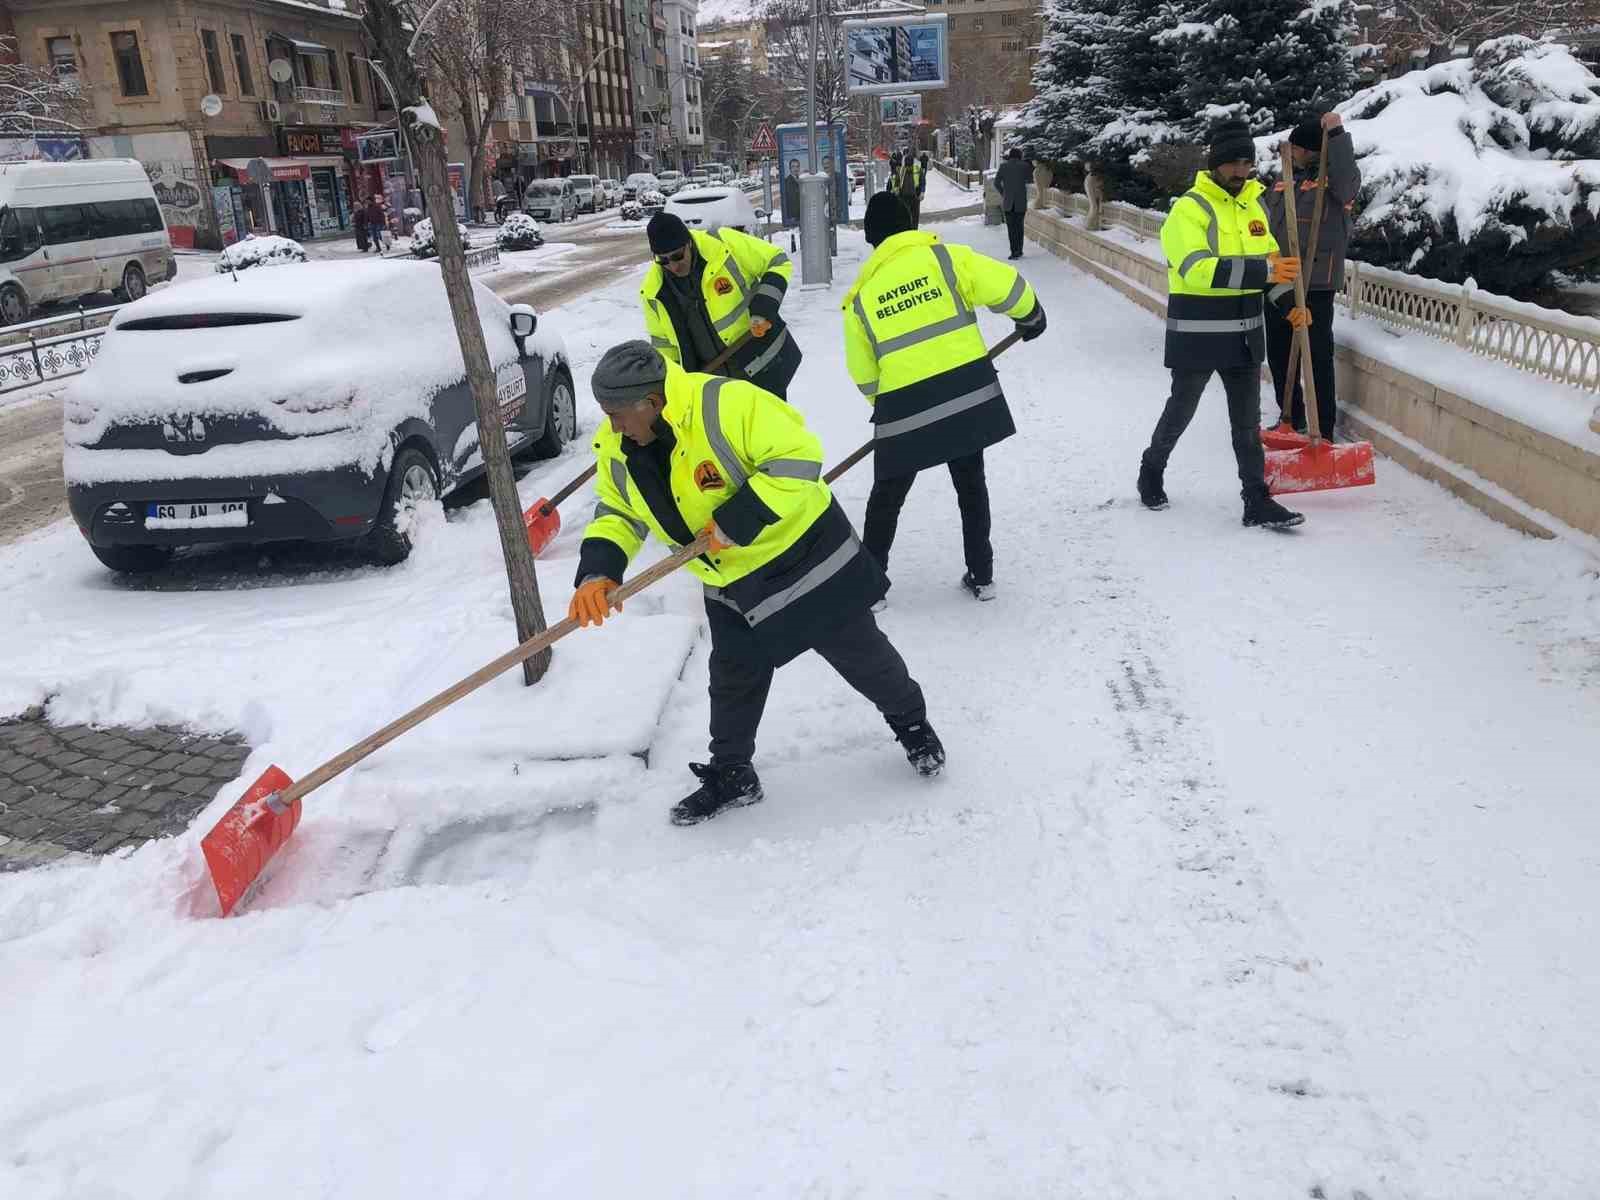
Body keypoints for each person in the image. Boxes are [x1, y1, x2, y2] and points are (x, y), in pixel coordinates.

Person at [568, 341, 946, 825]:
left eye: (617, 413)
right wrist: (598, 571)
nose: (611, 425)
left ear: (652, 402)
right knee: (733, 676)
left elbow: (798, 460)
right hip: (728, 578)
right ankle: (733, 774)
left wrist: (736, 519)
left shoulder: (728, 404)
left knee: (860, 654)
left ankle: (913, 725)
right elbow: (618, 510)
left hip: (802, 558)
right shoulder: (618, 445)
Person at [842, 192, 1046, 604]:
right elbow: (1008, 286)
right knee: (971, 484)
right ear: (910, 225)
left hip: (904, 410)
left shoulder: (861, 298)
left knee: (887, 495)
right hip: (965, 397)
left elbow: (863, 373)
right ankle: (982, 575)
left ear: (872, 239)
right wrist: (1031, 316)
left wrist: (886, 411)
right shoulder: (947, 260)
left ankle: (870, 586)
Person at [1136, 119, 1308, 530]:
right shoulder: (1188, 208)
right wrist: (1264, 274)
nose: (1239, 171)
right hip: (1199, 332)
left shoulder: (1255, 205)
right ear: (1214, 164)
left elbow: (1273, 268)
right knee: (1181, 411)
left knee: (1246, 426)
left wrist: (1288, 305)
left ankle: (1256, 500)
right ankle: (1152, 466)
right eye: (1231, 163)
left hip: (1245, 335)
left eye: (1245, 163)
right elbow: (1195, 269)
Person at [1263, 111, 1361, 441]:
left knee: (1316, 356)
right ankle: (1291, 418)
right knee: (1278, 353)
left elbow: (1347, 181)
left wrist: (1336, 134)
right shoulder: (1283, 179)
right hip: (1280, 280)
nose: (1286, 151)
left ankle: (1323, 429)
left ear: (1306, 149)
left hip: (1316, 283)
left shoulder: (1335, 182)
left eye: (1292, 146)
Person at [641, 211, 801, 400]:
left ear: (689, 243)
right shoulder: (653, 291)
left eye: (677, 256)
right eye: (663, 260)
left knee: (773, 427)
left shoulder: (723, 244)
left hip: (762, 366)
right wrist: (671, 387)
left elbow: (777, 261)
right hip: (713, 388)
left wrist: (764, 307)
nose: (673, 266)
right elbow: (664, 346)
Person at [995, 146, 1031, 259]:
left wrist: (1004, 193)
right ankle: (1019, 250)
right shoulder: (1025, 166)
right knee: (1019, 227)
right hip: (1021, 202)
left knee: (1011, 229)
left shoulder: (1003, 166)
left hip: (1008, 202)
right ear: (1019, 156)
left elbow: (996, 182)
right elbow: (1030, 180)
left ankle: (1013, 252)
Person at [897, 154, 920, 228]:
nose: (909, 167)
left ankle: (914, 230)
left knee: (915, 216)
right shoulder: (901, 170)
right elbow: (896, 182)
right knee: (905, 216)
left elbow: (922, 181)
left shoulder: (917, 169)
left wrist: (922, 192)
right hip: (904, 197)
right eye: (908, 165)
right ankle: (907, 230)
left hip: (915, 197)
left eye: (910, 164)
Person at [782, 158, 801, 227]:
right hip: (793, 218)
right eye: (793, 166)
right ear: (790, 168)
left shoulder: (801, 180)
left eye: (797, 166)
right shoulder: (787, 182)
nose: (795, 169)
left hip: (801, 215)